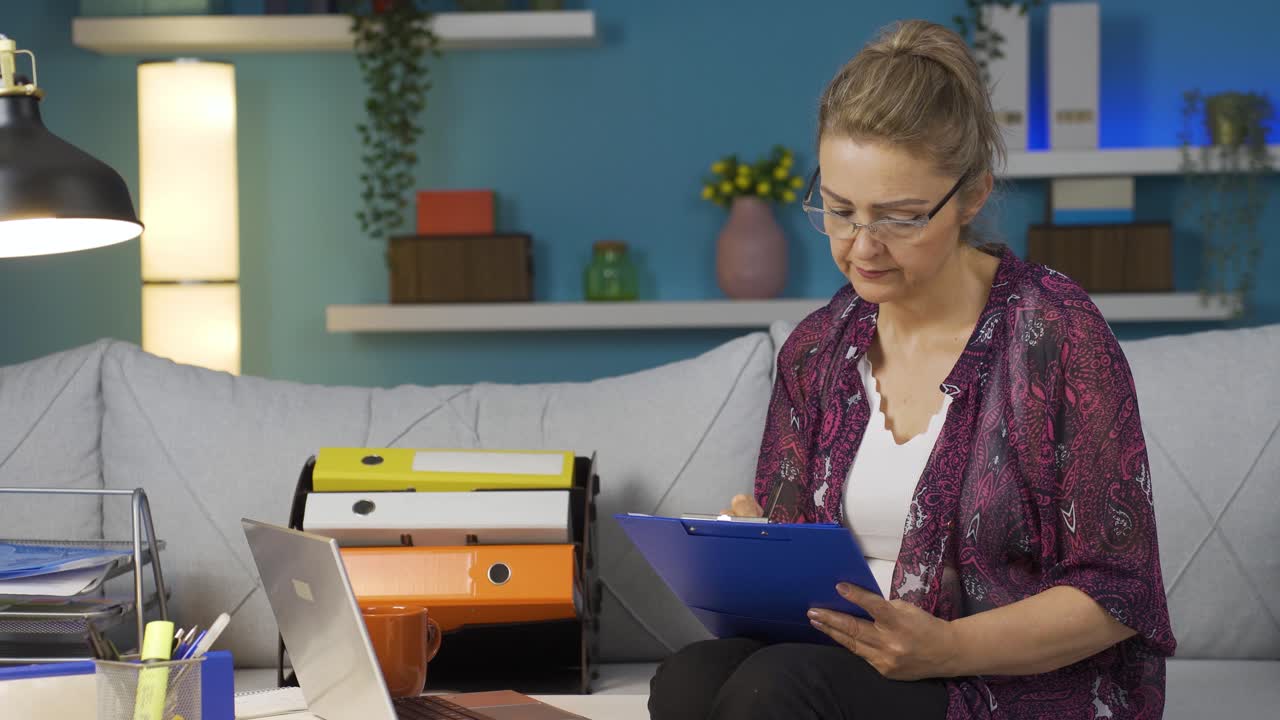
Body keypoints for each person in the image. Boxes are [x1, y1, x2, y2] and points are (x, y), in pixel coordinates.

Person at [647, 18, 1176, 720]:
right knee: (687, 678)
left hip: (1009, 682)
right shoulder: (816, 350)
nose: (861, 246)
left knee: (775, 691)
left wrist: (945, 649)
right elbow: (801, 570)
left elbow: (1120, 594)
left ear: (971, 195)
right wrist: (753, 547)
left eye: (897, 218)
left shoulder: (1057, 335)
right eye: (838, 211)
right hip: (856, 664)